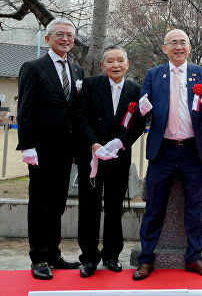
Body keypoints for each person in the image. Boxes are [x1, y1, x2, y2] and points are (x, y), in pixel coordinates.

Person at [133, 29, 202, 280]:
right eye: (173, 42)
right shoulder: (153, 74)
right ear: (164, 48)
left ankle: (194, 258)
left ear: (189, 47)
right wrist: (142, 109)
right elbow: (142, 108)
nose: (178, 46)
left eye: (183, 42)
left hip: (193, 151)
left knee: (195, 206)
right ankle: (146, 260)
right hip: (163, 151)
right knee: (153, 207)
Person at [16, 18, 84, 280]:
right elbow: (26, 110)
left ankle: (54, 253)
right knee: (40, 204)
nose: (65, 39)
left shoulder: (77, 71)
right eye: (60, 34)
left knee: (57, 204)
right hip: (41, 149)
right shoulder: (33, 67)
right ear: (48, 38)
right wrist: (28, 146)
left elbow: (76, 111)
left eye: (70, 35)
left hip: (67, 149)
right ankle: (39, 257)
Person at [76, 46, 147, 277]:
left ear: (127, 64)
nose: (115, 65)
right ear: (103, 65)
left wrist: (120, 142)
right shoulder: (90, 84)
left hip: (119, 157)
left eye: (120, 61)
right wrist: (95, 144)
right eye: (110, 61)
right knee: (89, 208)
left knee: (115, 207)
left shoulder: (136, 90)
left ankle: (112, 255)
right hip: (92, 156)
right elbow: (82, 117)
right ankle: (88, 257)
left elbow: (138, 124)